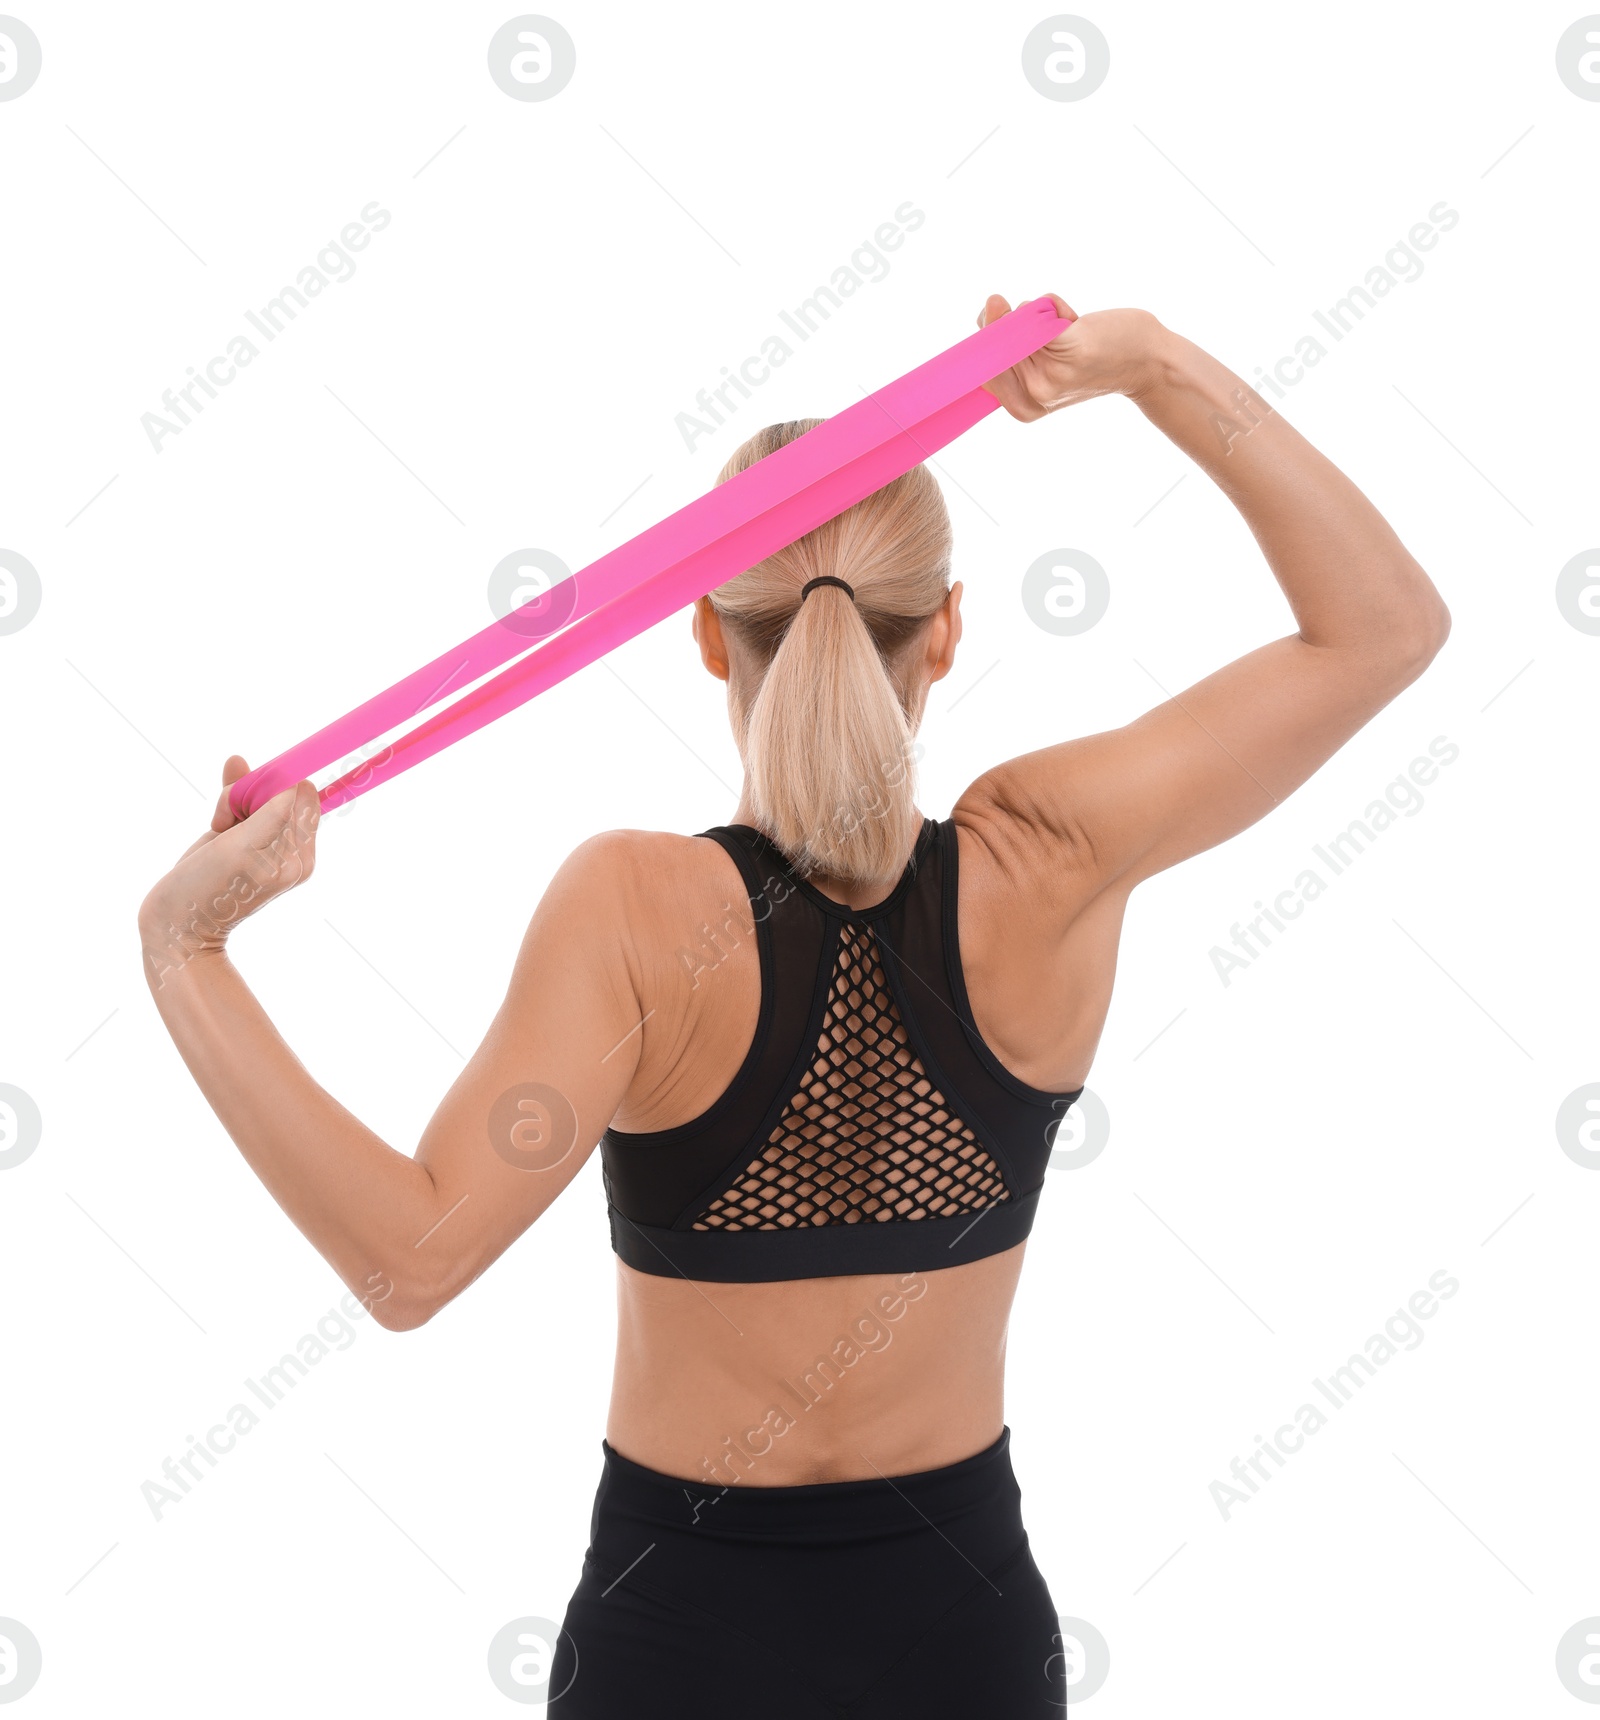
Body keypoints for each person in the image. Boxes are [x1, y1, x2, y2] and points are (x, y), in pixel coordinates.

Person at [138, 293, 1450, 1716]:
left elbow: (409, 1261)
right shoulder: (1045, 861)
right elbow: (1382, 629)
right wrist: (1147, 368)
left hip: (677, 1645)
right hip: (965, 1642)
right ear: (946, 631)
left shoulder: (637, 913)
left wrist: (184, 952)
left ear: (709, 635)